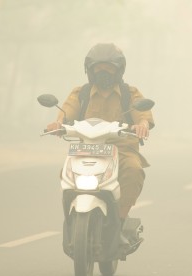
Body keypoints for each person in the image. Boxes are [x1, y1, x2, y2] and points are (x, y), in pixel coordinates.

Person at [46, 43, 154, 220]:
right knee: (65, 172)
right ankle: (71, 217)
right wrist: (58, 124)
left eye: (109, 68)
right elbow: (66, 113)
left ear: (119, 71)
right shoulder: (81, 93)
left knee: (134, 170)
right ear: (90, 70)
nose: (103, 72)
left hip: (122, 150)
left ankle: (120, 218)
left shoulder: (130, 93)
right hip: (86, 148)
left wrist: (142, 124)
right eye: (98, 68)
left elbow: (142, 115)